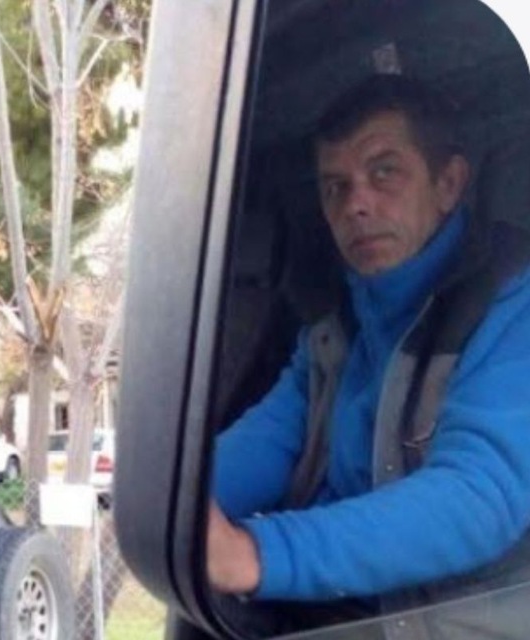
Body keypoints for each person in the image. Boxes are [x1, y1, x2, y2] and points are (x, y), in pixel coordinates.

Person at [208, 74, 530, 636]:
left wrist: (257, 553)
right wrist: (176, 501)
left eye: (385, 173)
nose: (356, 204)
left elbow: (479, 495)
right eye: (335, 187)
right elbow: (269, 441)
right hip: (346, 620)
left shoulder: (513, 305)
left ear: (448, 184)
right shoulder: (335, 330)